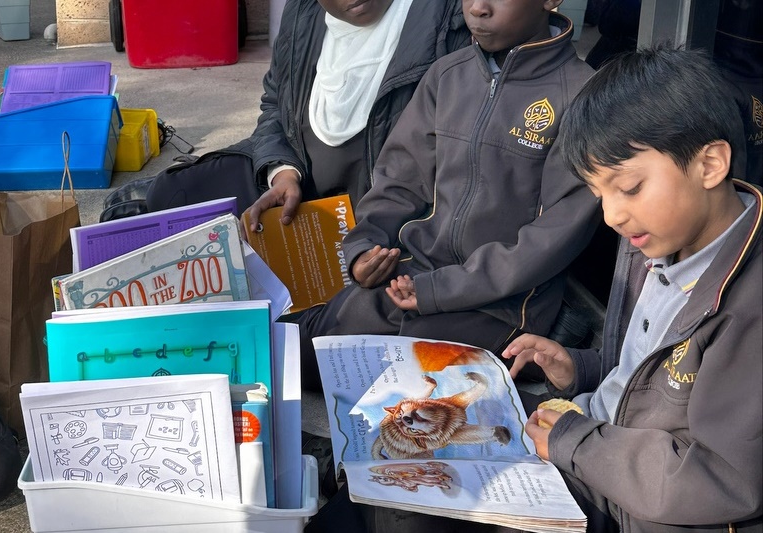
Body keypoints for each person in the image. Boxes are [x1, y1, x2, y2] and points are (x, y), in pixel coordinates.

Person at [502, 46, 762, 532]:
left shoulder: (750, 306)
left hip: (644, 505)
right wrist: (580, 367)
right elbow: (653, 375)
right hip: (596, 453)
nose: (611, 215)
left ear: (709, 165)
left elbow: (721, 478)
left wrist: (575, 441)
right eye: (599, 194)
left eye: (630, 187)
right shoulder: (654, 241)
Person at [297, 0, 598, 390]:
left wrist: (437, 291)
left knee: (375, 376)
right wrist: (362, 249)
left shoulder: (579, 96)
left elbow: (551, 239)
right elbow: (398, 181)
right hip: (414, 278)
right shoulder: (447, 75)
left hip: (503, 308)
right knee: (306, 351)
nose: (477, 8)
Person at [137, 0, 472, 226]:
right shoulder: (304, 15)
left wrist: (381, 231)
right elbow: (274, 104)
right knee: (173, 194)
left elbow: (459, 160)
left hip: (384, 213)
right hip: (302, 189)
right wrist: (282, 173)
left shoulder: (444, 21)